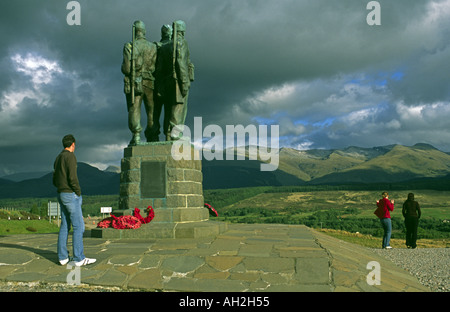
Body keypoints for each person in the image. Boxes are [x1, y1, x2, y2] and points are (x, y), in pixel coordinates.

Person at [53, 134, 96, 266]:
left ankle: (63, 257)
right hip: (71, 195)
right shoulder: (70, 156)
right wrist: (77, 192)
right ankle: (79, 258)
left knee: (65, 225)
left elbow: (54, 179)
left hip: (61, 194)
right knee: (79, 226)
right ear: (73, 144)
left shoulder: (58, 157)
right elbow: (72, 177)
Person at [156, 20, 194, 140]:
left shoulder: (165, 46)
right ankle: (176, 133)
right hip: (178, 80)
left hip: (167, 81)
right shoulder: (181, 42)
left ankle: (168, 134)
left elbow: (159, 68)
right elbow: (180, 62)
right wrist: (184, 82)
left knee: (169, 108)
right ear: (183, 31)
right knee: (179, 107)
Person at [121, 20, 158, 144]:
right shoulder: (153, 47)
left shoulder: (130, 46)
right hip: (150, 83)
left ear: (135, 31)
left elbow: (126, 68)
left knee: (134, 108)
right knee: (151, 111)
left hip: (135, 83)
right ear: (144, 31)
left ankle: (136, 135)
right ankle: (152, 135)